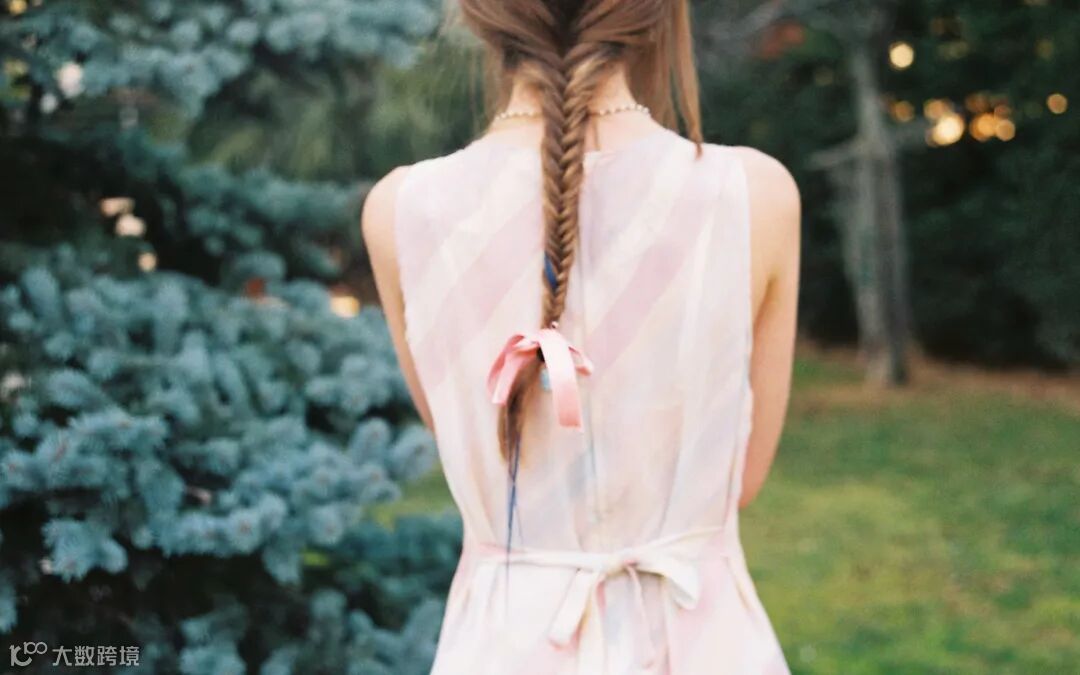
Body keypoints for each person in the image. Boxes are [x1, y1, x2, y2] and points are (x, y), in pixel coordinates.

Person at [362, 1, 799, 672]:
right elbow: (740, 481)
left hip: (507, 648)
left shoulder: (403, 209)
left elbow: (461, 435)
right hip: (701, 641)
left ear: (478, 14)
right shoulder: (753, 193)